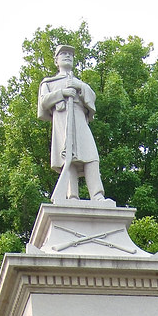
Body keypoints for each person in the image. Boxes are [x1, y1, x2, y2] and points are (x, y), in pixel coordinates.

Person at [38, 44, 106, 202]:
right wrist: (62, 93)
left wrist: (80, 87)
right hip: (62, 121)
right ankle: (72, 196)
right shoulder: (48, 82)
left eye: (70, 54)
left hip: (79, 119)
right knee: (68, 157)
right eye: (63, 54)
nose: (68, 56)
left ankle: (97, 195)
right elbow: (43, 103)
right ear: (56, 60)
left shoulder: (79, 82)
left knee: (91, 156)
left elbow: (92, 99)